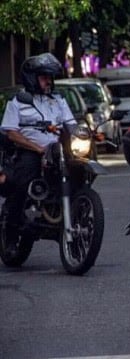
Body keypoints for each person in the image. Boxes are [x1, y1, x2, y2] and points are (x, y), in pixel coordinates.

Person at [0, 52, 76, 251]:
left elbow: (72, 126)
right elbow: (11, 132)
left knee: (81, 170)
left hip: (57, 151)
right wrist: (38, 149)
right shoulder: (18, 101)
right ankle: (10, 231)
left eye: (50, 78)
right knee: (23, 181)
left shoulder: (58, 100)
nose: (49, 82)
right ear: (32, 78)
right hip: (30, 151)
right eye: (44, 77)